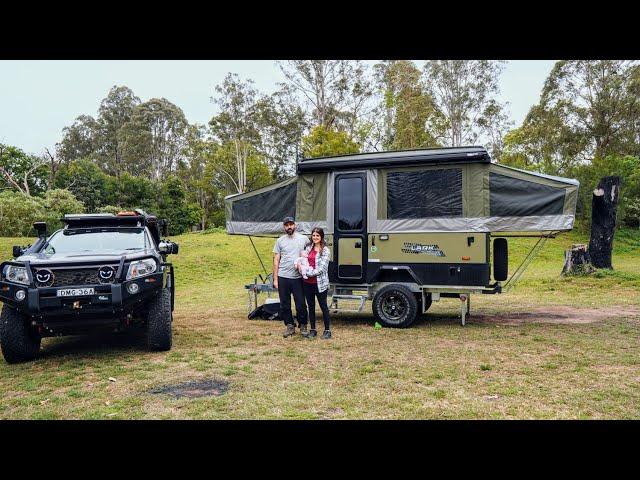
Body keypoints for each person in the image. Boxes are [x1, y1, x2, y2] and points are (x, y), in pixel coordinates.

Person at [273, 216, 309, 338]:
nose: (289, 227)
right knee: (284, 304)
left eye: (291, 224)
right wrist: (275, 279)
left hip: (298, 278)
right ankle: (289, 325)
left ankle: (303, 325)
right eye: (287, 225)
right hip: (283, 276)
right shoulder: (280, 241)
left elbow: (310, 255)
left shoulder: (304, 239)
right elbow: (276, 259)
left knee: (300, 304)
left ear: (295, 225)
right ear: (284, 227)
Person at [301, 227, 332, 339]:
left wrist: (307, 273)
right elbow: (303, 261)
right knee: (311, 306)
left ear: (321, 237)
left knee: (323, 306)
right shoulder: (308, 248)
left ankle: (327, 330)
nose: (315, 237)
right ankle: (313, 329)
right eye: (313, 235)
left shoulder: (325, 250)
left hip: (320, 283)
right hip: (307, 283)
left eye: (317, 235)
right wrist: (301, 268)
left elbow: (322, 269)